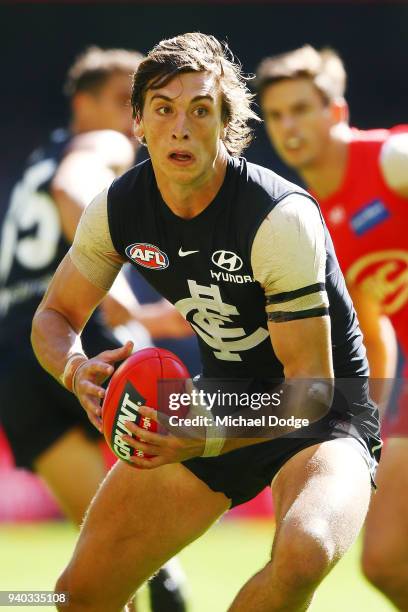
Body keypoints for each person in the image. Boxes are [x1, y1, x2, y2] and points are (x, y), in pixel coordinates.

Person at [32, 33, 380, 612]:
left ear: (227, 124)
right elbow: (55, 315)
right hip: (219, 400)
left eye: (201, 110)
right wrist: (75, 371)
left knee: (305, 550)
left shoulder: (279, 216)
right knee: (78, 594)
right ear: (137, 122)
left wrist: (207, 434)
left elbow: (312, 390)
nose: (182, 126)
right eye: (164, 109)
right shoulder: (118, 208)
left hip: (325, 413)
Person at [0, 46, 189, 612]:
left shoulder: (35, 160)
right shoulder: (100, 145)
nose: (133, 119)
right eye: (121, 100)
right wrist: (127, 306)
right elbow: (71, 189)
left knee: (102, 564)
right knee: (151, 543)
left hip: (17, 351)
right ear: (82, 105)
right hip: (80, 330)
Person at [256, 44, 408, 609]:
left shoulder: (391, 159)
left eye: (301, 108)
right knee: (387, 562)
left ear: (337, 113)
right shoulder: (310, 220)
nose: (288, 126)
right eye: (276, 115)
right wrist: (370, 421)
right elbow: (373, 330)